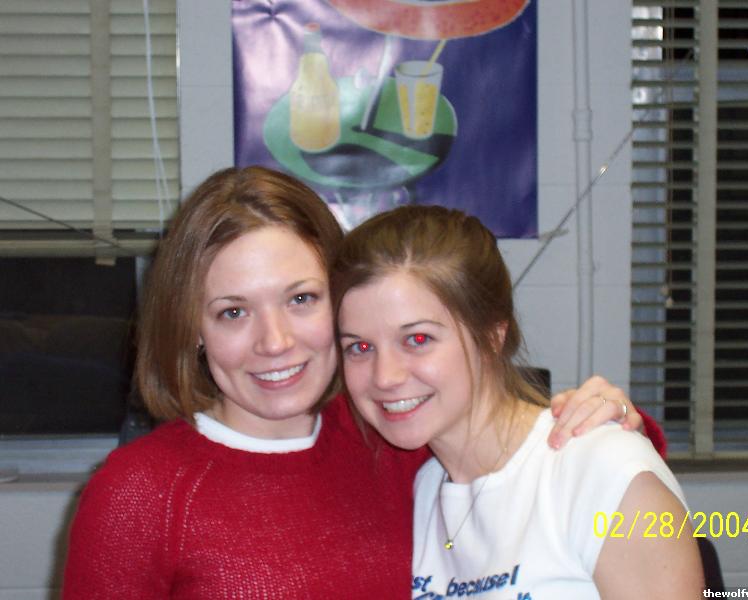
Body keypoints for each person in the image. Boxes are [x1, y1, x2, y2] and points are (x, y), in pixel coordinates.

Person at [63, 167, 650, 598]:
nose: (275, 341)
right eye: (233, 312)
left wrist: (613, 422)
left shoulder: (394, 435)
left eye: (301, 299)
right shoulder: (139, 493)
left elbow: (524, 461)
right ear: (193, 328)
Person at [332, 205, 704, 599]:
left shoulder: (603, 472)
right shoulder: (425, 490)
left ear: (491, 336)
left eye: (418, 339)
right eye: (360, 347)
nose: (385, 376)